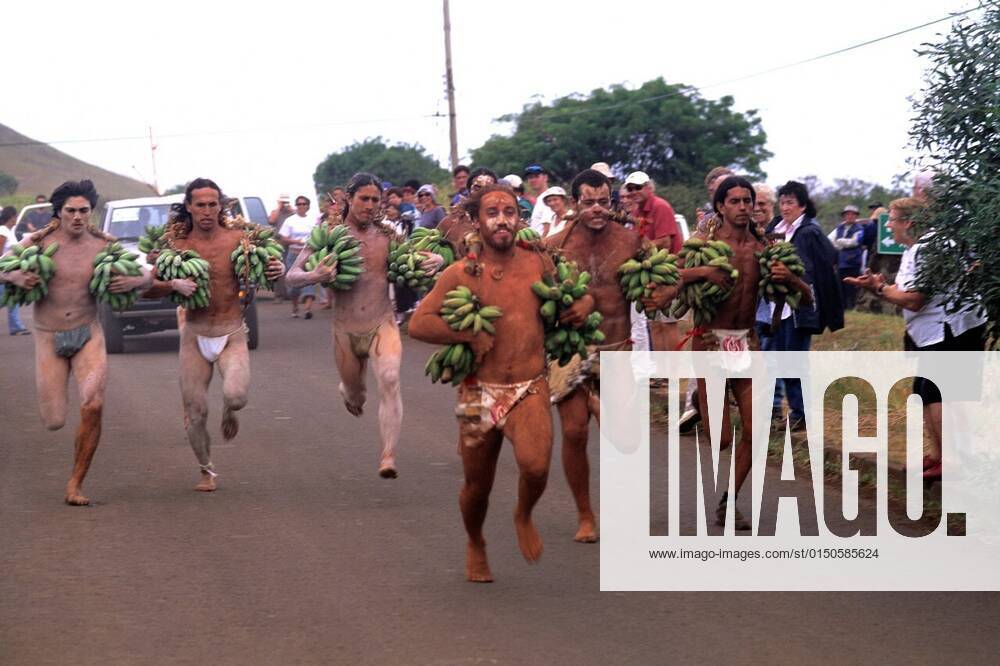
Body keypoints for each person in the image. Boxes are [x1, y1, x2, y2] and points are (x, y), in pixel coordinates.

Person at [409, 183, 585, 582]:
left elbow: (576, 297)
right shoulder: (461, 272)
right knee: (476, 486)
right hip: (477, 390)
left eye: (509, 211)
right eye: (492, 212)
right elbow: (420, 323)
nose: (502, 220)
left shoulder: (539, 261)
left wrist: (582, 307)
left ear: (519, 218)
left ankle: (523, 514)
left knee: (536, 467)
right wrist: (468, 335)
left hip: (530, 385)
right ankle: (476, 542)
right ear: (477, 220)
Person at [0, 181, 183, 504]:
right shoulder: (37, 242)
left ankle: (76, 483)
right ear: (59, 211)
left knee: (93, 404)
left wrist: (134, 280)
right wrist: (14, 276)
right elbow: (3, 266)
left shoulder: (104, 244)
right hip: (48, 334)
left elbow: (145, 274)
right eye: (71, 210)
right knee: (54, 420)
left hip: (88, 332)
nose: (77, 216)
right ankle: (71, 467)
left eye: (84, 210)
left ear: (91, 212)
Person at [668, 177, 810, 528]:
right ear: (720, 206)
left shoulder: (766, 249)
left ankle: (729, 502)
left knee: (756, 429)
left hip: (748, 344)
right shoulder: (703, 244)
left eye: (748, 200)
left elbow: (807, 298)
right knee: (722, 441)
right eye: (735, 201)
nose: (744, 206)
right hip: (709, 343)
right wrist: (704, 272)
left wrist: (790, 280)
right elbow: (669, 277)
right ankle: (702, 403)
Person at [286, 173, 442, 478]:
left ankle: (388, 455)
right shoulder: (328, 233)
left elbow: (416, 258)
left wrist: (435, 259)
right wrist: (313, 276)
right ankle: (348, 389)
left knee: (389, 377)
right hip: (345, 330)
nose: (370, 205)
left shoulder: (388, 234)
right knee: (357, 397)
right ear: (349, 198)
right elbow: (291, 275)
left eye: (375, 200)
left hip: (381, 321)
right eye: (364, 199)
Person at [145, 178, 284, 491]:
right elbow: (148, 288)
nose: (206, 210)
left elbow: (271, 271)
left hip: (231, 330)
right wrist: (171, 285)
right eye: (200, 205)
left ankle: (228, 408)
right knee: (195, 413)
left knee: (236, 396)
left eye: (212, 204)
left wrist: (279, 271)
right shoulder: (176, 247)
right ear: (190, 207)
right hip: (194, 334)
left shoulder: (240, 240)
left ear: (220, 206)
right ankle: (206, 471)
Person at [845, 197, 986, 479]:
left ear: (909, 222)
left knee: (940, 392)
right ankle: (938, 456)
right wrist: (877, 286)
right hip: (934, 330)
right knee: (924, 390)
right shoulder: (914, 249)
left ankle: (953, 460)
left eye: (893, 221)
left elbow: (915, 299)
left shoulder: (929, 247)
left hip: (952, 328)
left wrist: (881, 289)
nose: (890, 227)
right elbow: (903, 287)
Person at [544, 169, 641, 542]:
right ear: (574, 204)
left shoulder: (630, 241)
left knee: (623, 438)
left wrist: (661, 293)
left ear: (611, 201)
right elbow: (541, 298)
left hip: (616, 348)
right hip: (569, 348)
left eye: (603, 202)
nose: (597, 209)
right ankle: (585, 515)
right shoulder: (555, 245)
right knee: (573, 430)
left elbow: (658, 284)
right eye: (589, 203)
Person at [759, 180, 844, 429]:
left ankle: (801, 414)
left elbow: (827, 259)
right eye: (783, 202)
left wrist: (797, 276)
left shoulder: (809, 232)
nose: (785, 207)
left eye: (790, 203)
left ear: (802, 205)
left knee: (794, 362)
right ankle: (791, 411)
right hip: (777, 308)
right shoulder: (776, 226)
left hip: (800, 306)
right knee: (778, 360)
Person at [624, 171, 683, 353]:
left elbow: (665, 242)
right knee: (654, 324)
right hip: (649, 273)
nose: (634, 191)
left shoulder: (660, 206)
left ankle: (675, 373)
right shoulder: (635, 212)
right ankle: (662, 374)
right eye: (630, 188)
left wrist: (641, 248)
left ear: (649, 188)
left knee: (668, 323)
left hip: (668, 272)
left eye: (638, 187)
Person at [438, 170, 498, 258]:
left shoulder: (508, 221)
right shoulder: (451, 222)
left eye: (489, 188)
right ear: (469, 192)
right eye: (477, 188)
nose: (483, 193)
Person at [280, 195, 319, 319]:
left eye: (304, 204)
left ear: (308, 206)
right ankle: (295, 307)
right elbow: (283, 238)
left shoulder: (314, 220)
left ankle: (308, 309)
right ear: (296, 206)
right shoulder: (290, 220)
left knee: (310, 280)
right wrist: (296, 241)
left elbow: (319, 235)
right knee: (294, 283)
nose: (301, 206)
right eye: (299, 204)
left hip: (309, 255)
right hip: (294, 255)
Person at [828, 204, 867, 309]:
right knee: (841, 285)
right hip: (841, 262)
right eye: (847, 214)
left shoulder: (859, 228)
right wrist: (840, 244)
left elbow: (854, 242)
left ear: (856, 216)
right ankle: (843, 306)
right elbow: (830, 240)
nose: (849, 216)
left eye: (852, 214)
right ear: (844, 216)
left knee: (852, 286)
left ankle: (851, 306)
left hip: (853, 262)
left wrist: (840, 242)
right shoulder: (839, 227)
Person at [0, 206, 30, 335]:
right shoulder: (2, 231)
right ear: (11, 217)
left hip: (11, 270)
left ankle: (16, 327)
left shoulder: (9, 231)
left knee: (12, 299)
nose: (16, 219)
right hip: (3, 270)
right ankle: (16, 326)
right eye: (16, 216)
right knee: (4, 299)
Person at [524, 164, 554, 234]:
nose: (533, 180)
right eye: (530, 177)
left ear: (545, 178)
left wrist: (541, 244)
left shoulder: (548, 197)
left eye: (537, 176)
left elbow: (547, 228)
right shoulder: (540, 199)